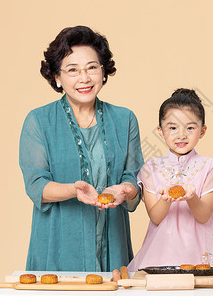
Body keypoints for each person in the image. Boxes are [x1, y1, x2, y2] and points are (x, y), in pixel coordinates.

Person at [19, 26, 143, 271]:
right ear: (57, 76)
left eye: (92, 67)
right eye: (72, 70)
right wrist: (75, 190)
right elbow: (36, 185)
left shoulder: (125, 119)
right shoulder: (39, 121)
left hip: (112, 242)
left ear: (103, 71)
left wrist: (125, 190)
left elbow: (133, 176)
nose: (84, 78)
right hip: (59, 245)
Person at [127, 88, 213, 271]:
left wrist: (191, 196)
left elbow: (203, 216)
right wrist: (166, 198)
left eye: (190, 127)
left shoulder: (209, 166)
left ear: (202, 131)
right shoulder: (151, 168)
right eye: (172, 127)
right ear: (161, 132)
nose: (181, 135)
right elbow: (155, 217)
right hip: (162, 252)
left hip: (201, 250)